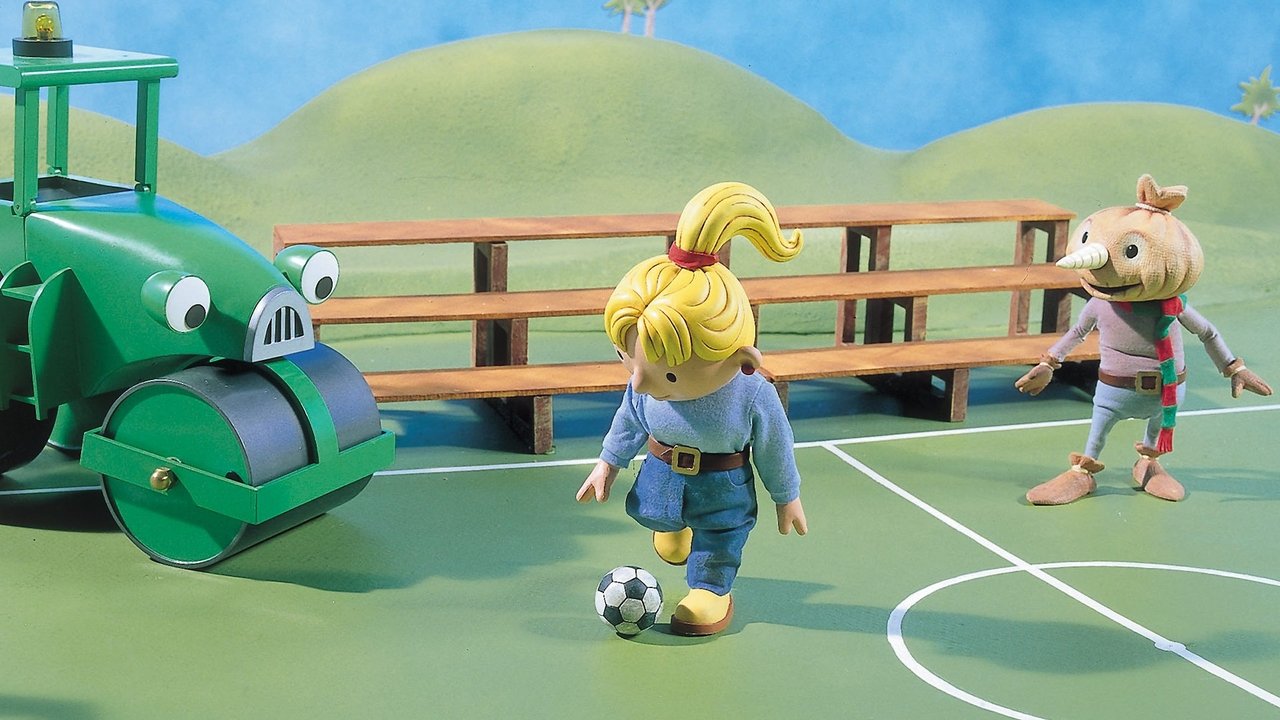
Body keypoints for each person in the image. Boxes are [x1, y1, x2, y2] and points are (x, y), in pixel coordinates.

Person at [576, 181, 808, 636]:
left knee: (719, 538)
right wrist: (608, 462)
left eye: (668, 376)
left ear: (743, 360)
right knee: (661, 519)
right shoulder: (641, 388)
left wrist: (787, 496)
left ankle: (710, 590)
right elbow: (630, 417)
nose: (639, 383)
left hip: (722, 486)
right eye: (626, 360)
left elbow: (775, 447)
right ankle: (673, 528)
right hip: (661, 475)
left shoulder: (752, 394)